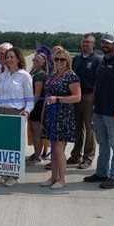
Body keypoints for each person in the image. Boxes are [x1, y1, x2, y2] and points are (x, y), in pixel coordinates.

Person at [83, 33, 114, 189]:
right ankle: (101, 173)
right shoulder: (102, 61)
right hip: (100, 110)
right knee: (103, 143)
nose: (104, 45)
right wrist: (94, 105)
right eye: (103, 42)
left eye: (108, 43)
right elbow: (98, 85)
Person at [0, 47, 34, 187]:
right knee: (2, 144)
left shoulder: (24, 76)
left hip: (16, 113)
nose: (9, 59)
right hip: (1, 112)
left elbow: (30, 99)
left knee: (14, 146)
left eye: (12, 57)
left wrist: (27, 111)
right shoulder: (2, 76)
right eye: (7, 57)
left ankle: (14, 175)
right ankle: (4, 173)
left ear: (18, 59)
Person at [40, 48, 81, 189]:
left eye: (62, 59)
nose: (58, 62)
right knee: (54, 147)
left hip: (63, 115)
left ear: (67, 61)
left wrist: (58, 99)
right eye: (56, 59)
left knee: (58, 149)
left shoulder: (71, 76)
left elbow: (77, 97)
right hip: (51, 114)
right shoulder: (53, 75)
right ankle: (53, 177)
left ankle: (62, 179)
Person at [68, 33, 102, 169]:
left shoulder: (97, 60)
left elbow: (99, 81)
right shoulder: (76, 59)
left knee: (89, 128)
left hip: (89, 96)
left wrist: (95, 98)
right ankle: (75, 155)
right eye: (84, 42)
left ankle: (88, 157)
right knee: (76, 127)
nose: (85, 44)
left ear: (93, 44)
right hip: (76, 96)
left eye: (88, 42)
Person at [27, 53, 48, 163]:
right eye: (34, 59)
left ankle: (37, 156)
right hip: (33, 105)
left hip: (37, 107)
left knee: (37, 132)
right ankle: (36, 153)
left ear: (43, 62)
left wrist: (29, 108)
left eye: (37, 60)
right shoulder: (33, 72)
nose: (35, 61)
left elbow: (37, 94)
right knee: (34, 131)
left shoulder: (40, 75)